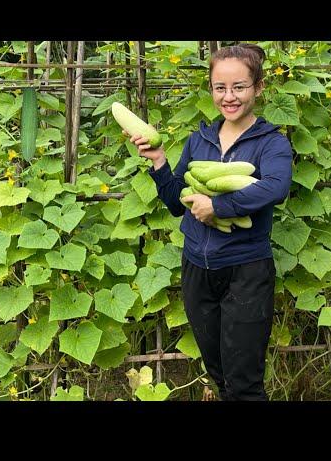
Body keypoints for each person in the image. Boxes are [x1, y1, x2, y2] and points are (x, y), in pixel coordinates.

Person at [126, 43, 293, 401]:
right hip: (197, 271)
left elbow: (276, 188)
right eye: (220, 87)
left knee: (245, 382)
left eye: (239, 87)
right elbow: (176, 203)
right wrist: (158, 161)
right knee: (219, 372)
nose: (229, 97)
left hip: (246, 270)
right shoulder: (198, 141)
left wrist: (219, 205)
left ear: (258, 88)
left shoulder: (271, 143)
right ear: (211, 88)